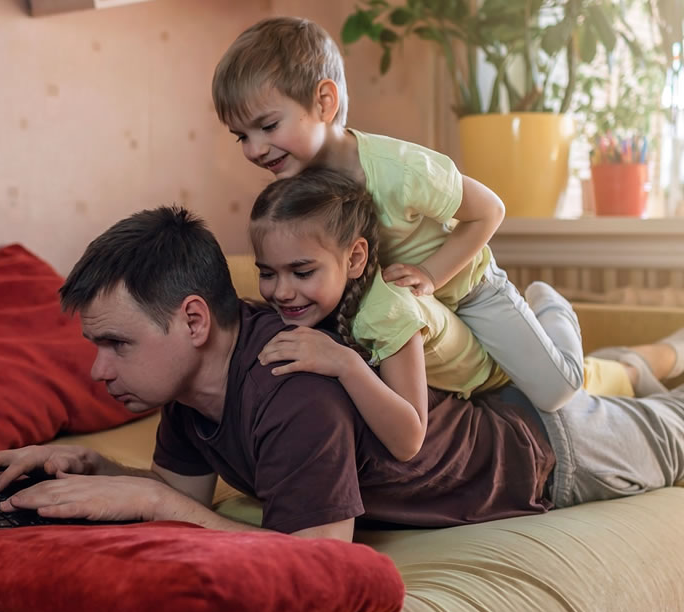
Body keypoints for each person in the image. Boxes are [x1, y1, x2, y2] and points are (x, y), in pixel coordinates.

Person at [0, 206, 684, 542]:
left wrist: (151, 502)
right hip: (514, 419)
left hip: (551, 458)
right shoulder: (190, 397)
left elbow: (317, 558)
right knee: (616, 383)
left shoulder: (294, 387)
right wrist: (92, 470)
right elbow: (190, 498)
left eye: (114, 343)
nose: (95, 366)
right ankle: (638, 362)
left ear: (194, 320)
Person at [211, 16, 592, 413]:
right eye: (242, 136)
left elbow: (489, 211)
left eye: (268, 126)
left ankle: (550, 306)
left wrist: (431, 274)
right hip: (413, 312)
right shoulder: (297, 191)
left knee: (555, 392)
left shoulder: (401, 169)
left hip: (468, 289)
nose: (254, 150)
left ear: (324, 102)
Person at [248, 167, 684, 462]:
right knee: (609, 367)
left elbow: (408, 439)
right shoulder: (332, 295)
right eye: (266, 273)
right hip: (475, 357)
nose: (281, 291)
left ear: (356, 259)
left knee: (581, 381)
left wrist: (344, 364)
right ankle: (640, 361)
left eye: (301, 271)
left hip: (502, 378)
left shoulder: (385, 314)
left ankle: (556, 309)